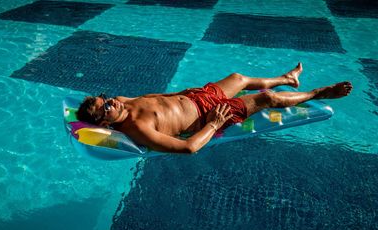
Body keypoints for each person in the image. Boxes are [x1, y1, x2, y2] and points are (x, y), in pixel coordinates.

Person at [76, 63, 352, 153]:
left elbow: (160, 96)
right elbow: (189, 148)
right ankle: (320, 92)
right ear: (105, 124)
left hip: (197, 97)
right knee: (267, 99)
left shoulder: (123, 100)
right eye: (106, 108)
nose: (111, 102)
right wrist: (214, 124)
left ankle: (287, 79)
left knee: (239, 78)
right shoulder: (137, 129)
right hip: (207, 116)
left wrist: (187, 94)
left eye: (106, 98)